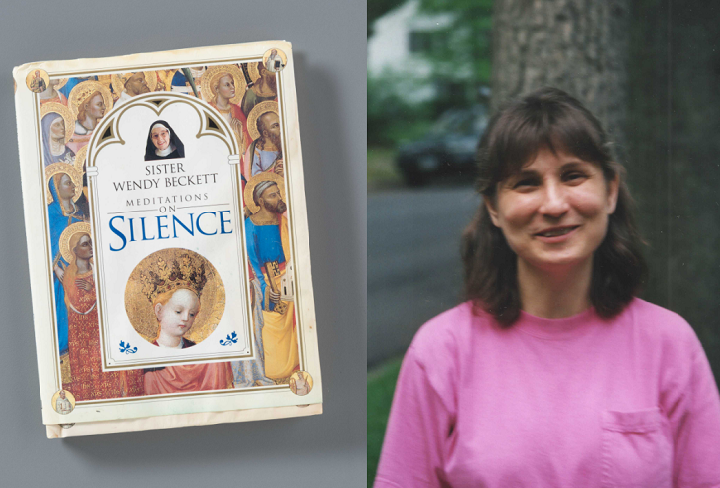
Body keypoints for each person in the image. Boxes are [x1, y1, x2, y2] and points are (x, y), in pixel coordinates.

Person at [374, 87, 720, 487]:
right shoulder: (440, 352)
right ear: (494, 208)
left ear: (609, 191)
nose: (554, 204)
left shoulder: (668, 343)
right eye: (526, 183)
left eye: (573, 176)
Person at [60, 224, 144, 400]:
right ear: (74, 250)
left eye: (90, 243)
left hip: (102, 327)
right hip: (81, 332)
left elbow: (113, 294)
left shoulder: (100, 269)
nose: (90, 248)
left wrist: (93, 289)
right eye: (85, 244)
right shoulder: (69, 274)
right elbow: (77, 305)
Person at [142, 253, 233, 394]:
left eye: (192, 314)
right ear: (159, 311)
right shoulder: (145, 356)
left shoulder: (203, 355)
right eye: (178, 311)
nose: (185, 318)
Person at [244, 175, 298, 380]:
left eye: (278, 194)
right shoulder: (251, 225)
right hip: (268, 279)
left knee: (291, 322)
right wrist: (265, 286)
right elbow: (252, 258)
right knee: (271, 323)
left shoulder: (281, 220)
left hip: (289, 273)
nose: (278, 198)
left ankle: (293, 364)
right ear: (260, 200)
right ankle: (275, 370)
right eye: (272, 195)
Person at [46, 164, 85, 356]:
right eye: (67, 183)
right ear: (56, 189)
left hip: (81, 267)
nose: (73, 186)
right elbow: (47, 242)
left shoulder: (81, 212)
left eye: (72, 183)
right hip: (59, 272)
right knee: (62, 307)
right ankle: (63, 348)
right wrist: (55, 268)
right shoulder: (50, 212)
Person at [243, 106, 283, 178]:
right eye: (275, 126)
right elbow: (254, 177)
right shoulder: (255, 150)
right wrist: (274, 174)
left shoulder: (284, 145)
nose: (281, 129)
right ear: (265, 133)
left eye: (281, 124)